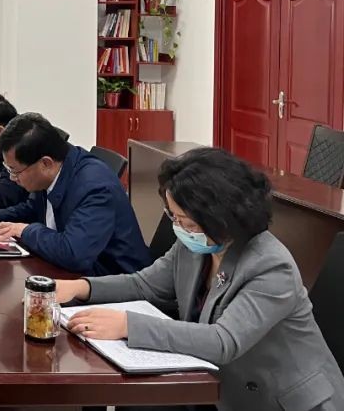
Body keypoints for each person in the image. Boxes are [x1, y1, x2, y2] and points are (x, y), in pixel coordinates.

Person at [57, 148, 344, 411]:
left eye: (187, 221)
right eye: (174, 217)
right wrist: (80, 287)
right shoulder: (197, 243)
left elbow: (223, 340)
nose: (179, 228)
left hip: (282, 402)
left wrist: (127, 325)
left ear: (222, 217)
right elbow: (145, 285)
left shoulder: (271, 266)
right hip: (218, 388)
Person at [0, 112, 150, 276]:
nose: (13, 179)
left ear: (45, 163)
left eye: (15, 171)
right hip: (73, 273)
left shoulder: (95, 187)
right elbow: (32, 208)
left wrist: (25, 231)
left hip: (115, 284)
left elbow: (74, 253)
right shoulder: (56, 168)